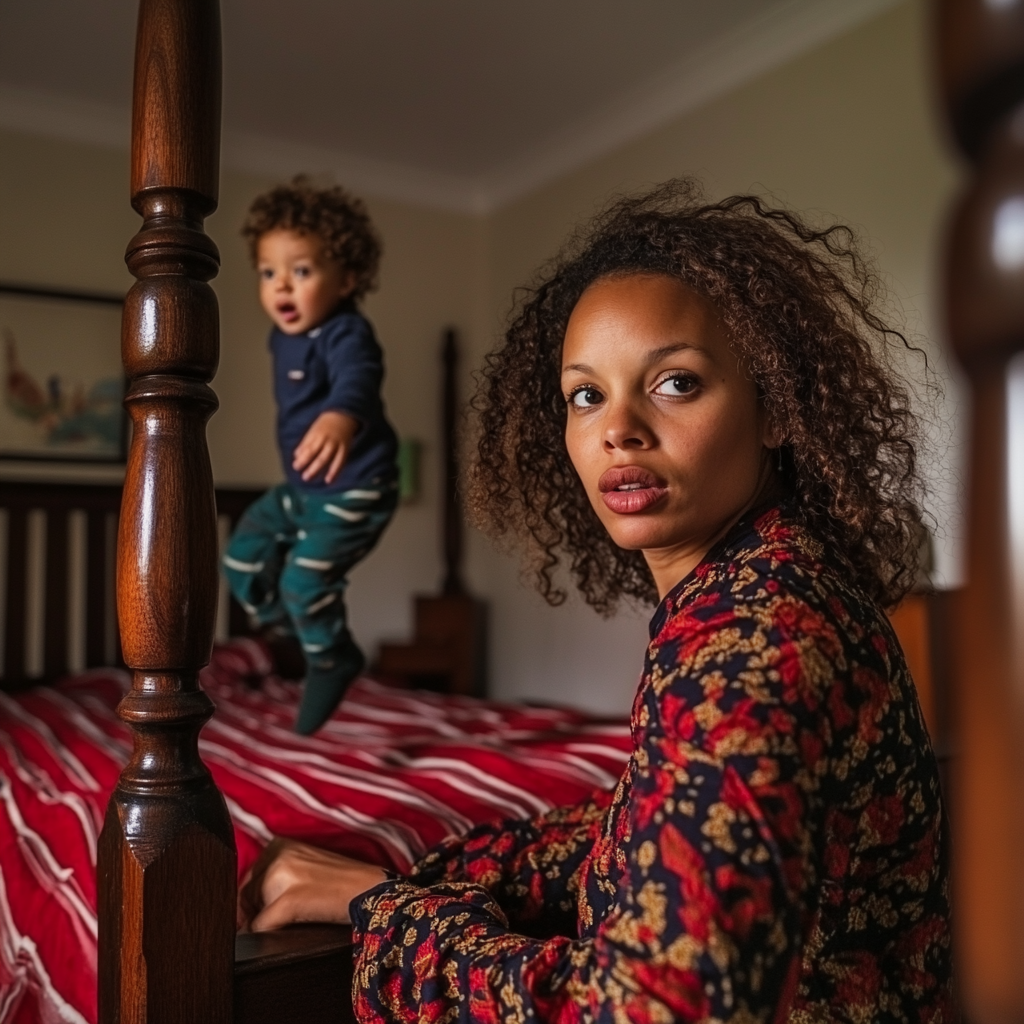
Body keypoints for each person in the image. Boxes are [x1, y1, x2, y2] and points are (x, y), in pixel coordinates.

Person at [238, 181, 953, 1021]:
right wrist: (440, 867)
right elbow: (645, 830)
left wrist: (390, 912)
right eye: (587, 395)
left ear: (774, 408)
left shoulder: (755, 636)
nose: (619, 428)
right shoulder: (766, 581)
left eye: (675, 383)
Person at [223, 178, 398, 735]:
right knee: (241, 557)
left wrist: (339, 415)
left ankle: (333, 657)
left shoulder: (344, 331)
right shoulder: (282, 339)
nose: (282, 287)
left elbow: (361, 376)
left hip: (357, 487)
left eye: (301, 271)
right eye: (269, 272)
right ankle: (294, 631)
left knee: (304, 582)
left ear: (346, 279)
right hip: (303, 489)